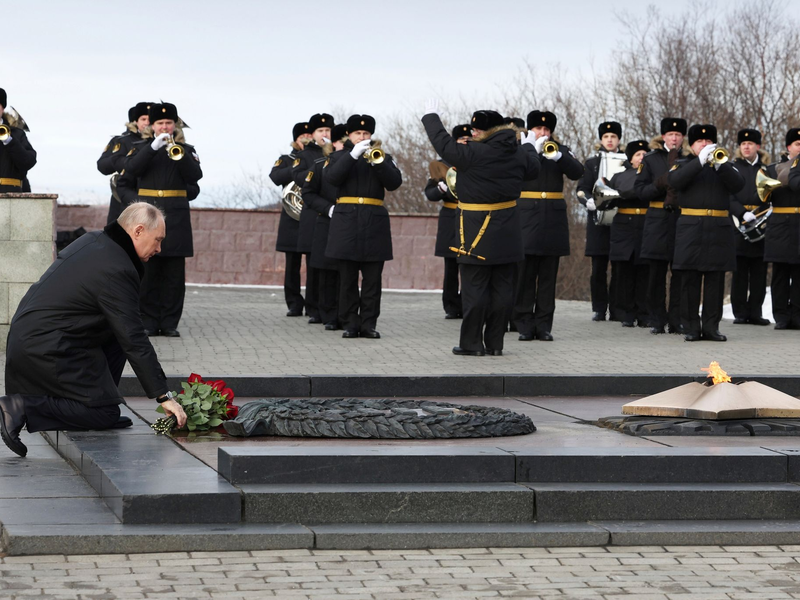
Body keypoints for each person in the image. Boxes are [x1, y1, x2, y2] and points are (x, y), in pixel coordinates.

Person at [1, 203, 188, 458]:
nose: (159, 249)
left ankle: (102, 401)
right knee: (103, 413)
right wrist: (162, 395)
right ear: (138, 231)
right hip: (47, 350)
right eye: (157, 240)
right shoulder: (117, 268)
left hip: (37, 339)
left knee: (117, 329)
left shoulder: (96, 242)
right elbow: (135, 338)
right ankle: (19, 407)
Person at [423, 104, 540, 355]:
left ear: (486, 131)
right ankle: (495, 345)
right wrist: (530, 146)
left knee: (474, 291)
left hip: (476, 230)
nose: (472, 134)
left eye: (476, 130)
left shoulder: (473, 153)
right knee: (502, 291)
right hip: (508, 230)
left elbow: (442, 144)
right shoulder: (518, 153)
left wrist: (431, 117)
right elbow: (534, 169)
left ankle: (472, 344)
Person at [122, 102, 203, 337]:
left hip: (176, 216)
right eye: (160, 123)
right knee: (148, 272)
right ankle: (146, 321)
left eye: (169, 123)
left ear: (175, 124)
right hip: (147, 216)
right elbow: (130, 171)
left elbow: (195, 176)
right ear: (153, 125)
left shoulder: (186, 149)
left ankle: (169, 323)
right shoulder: (139, 147)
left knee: (173, 274)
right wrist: (152, 148)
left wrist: (177, 152)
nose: (165, 126)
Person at [325, 114, 402, 339]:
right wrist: (352, 156)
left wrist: (377, 164)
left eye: (366, 133)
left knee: (372, 279)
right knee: (347, 279)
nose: (362, 136)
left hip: (373, 222)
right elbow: (332, 179)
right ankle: (350, 323)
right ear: (349, 135)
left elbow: (394, 183)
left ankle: (369, 324)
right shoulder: (338, 156)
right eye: (358, 133)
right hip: (346, 222)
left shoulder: (382, 157)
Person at [668, 124, 744, 342]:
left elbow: (739, 185)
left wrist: (720, 165)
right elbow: (674, 182)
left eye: (708, 141)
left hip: (718, 229)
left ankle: (711, 327)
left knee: (715, 281)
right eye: (699, 141)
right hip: (691, 228)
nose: (704, 144)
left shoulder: (724, 165)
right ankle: (691, 327)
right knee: (689, 280)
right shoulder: (682, 164)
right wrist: (699, 162)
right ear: (691, 145)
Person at [512, 110, 583, 342]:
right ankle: (523, 324)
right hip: (526, 218)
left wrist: (559, 158)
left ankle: (544, 326)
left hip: (552, 219)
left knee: (547, 277)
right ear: (530, 130)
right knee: (525, 276)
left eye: (546, 130)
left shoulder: (559, 150)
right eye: (538, 129)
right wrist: (529, 149)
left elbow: (578, 172)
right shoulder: (520, 149)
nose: (542, 133)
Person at [635, 117, 688, 334]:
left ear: (683, 137)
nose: (674, 138)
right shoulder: (651, 160)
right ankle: (657, 319)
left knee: (680, 274)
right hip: (657, 219)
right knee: (656, 274)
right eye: (670, 134)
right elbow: (640, 191)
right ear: (663, 136)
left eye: (678, 134)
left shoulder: (689, 159)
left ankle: (676, 319)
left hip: (681, 218)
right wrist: (661, 184)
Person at [301, 123, 347, 330]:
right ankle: (328, 313)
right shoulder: (320, 164)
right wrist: (328, 209)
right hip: (326, 222)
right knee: (326, 271)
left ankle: (346, 313)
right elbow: (309, 193)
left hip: (350, 223)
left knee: (346, 272)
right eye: (342, 141)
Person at [424, 123, 472, 319]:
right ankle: (451, 306)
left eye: (469, 140)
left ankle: (469, 302)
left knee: (469, 265)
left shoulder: (476, 161)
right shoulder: (442, 164)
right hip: (450, 216)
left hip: (471, 216)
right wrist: (441, 190)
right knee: (451, 265)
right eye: (462, 140)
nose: (465, 143)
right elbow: (430, 194)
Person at [576, 121, 622, 321]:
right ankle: (599, 308)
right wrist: (588, 201)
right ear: (601, 139)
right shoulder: (592, 163)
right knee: (599, 269)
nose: (610, 140)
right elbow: (582, 188)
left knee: (620, 267)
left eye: (613, 137)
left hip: (621, 220)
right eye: (606, 137)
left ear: (619, 139)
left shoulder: (626, 160)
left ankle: (618, 307)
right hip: (598, 221)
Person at [292, 113, 334, 324]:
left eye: (328, 131)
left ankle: (329, 307)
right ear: (314, 134)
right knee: (314, 264)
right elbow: (299, 177)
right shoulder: (307, 154)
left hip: (334, 214)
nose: (325, 134)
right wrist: (318, 166)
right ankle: (313, 308)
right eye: (321, 131)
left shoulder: (339, 152)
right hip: (313, 214)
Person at [728, 128, 770, 326]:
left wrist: (760, 214)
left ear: (757, 147)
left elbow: (770, 196)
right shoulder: (732, 168)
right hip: (738, 224)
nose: (746, 147)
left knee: (759, 274)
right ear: (739, 147)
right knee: (740, 273)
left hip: (760, 224)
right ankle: (740, 313)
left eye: (750, 144)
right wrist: (741, 212)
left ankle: (756, 312)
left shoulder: (765, 170)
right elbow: (728, 195)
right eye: (743, 144)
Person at [607, 139, 650, 327]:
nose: (641, 158)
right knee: (625, 272)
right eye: (638, 155)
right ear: (630, 159)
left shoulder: (653, 176)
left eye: (644, 154)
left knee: (645, 272)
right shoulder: (620, 176)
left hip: (646, 224)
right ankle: (626, 313)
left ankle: (644, 312)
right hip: (624, 226)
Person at [269, 121, 311, 317]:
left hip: (312, 216)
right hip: (292, 218)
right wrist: (297, 168)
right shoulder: (286, 159)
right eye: (303, 137)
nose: (307, 140)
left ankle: (314, 303)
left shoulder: (318, 158)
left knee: (315, 264)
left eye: (310, 136)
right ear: (295, 140)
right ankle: (294, 303)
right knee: (292, 265)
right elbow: (275, 176)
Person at [765, 127, 800, 329]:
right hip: (779, 225)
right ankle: (781, 316)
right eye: (797, 144)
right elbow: (760, 196)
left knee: (798, 273)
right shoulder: (773, 169)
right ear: (788, 146)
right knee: (780, 273)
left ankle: (797, 315)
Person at [97, 102, 151, 224]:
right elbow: (102, 166)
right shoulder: (122, 141)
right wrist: (125, 162)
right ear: (135, 121)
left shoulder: (162, 142)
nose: (147, 122)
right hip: (124, 196)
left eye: (150, 119)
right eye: (143, 119)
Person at [0, 88, 37, 193]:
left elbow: (28, 162)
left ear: (2, 108)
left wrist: (10, 141)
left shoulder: (17, 133)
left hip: (10, 196)